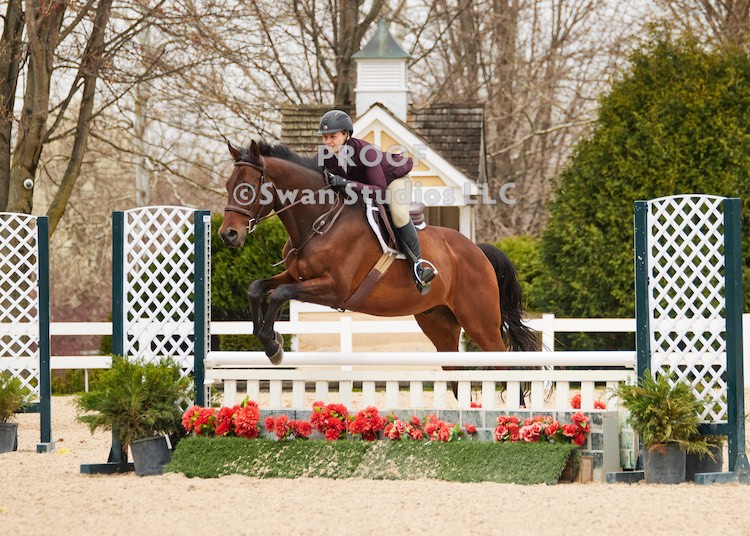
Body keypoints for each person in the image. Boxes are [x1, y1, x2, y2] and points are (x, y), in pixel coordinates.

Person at [317, 109, 437, 295]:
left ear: (346, 135)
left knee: (398, 214)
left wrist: (347, 184)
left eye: (333, 136)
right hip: (365, 187)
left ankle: (418, 267)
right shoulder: (325, 155)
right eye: (325, 137)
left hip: (393, 181)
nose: (327, 142)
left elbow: (380, 191)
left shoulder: (367, 152)